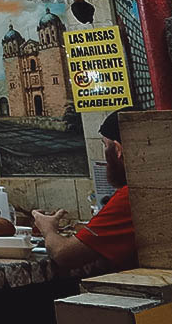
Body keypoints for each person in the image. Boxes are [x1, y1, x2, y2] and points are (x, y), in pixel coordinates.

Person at [32, 108, 136, 271]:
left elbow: (64, 254)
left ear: (117, 150)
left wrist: (47, 228)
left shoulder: (132, 197)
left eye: (105, 146)